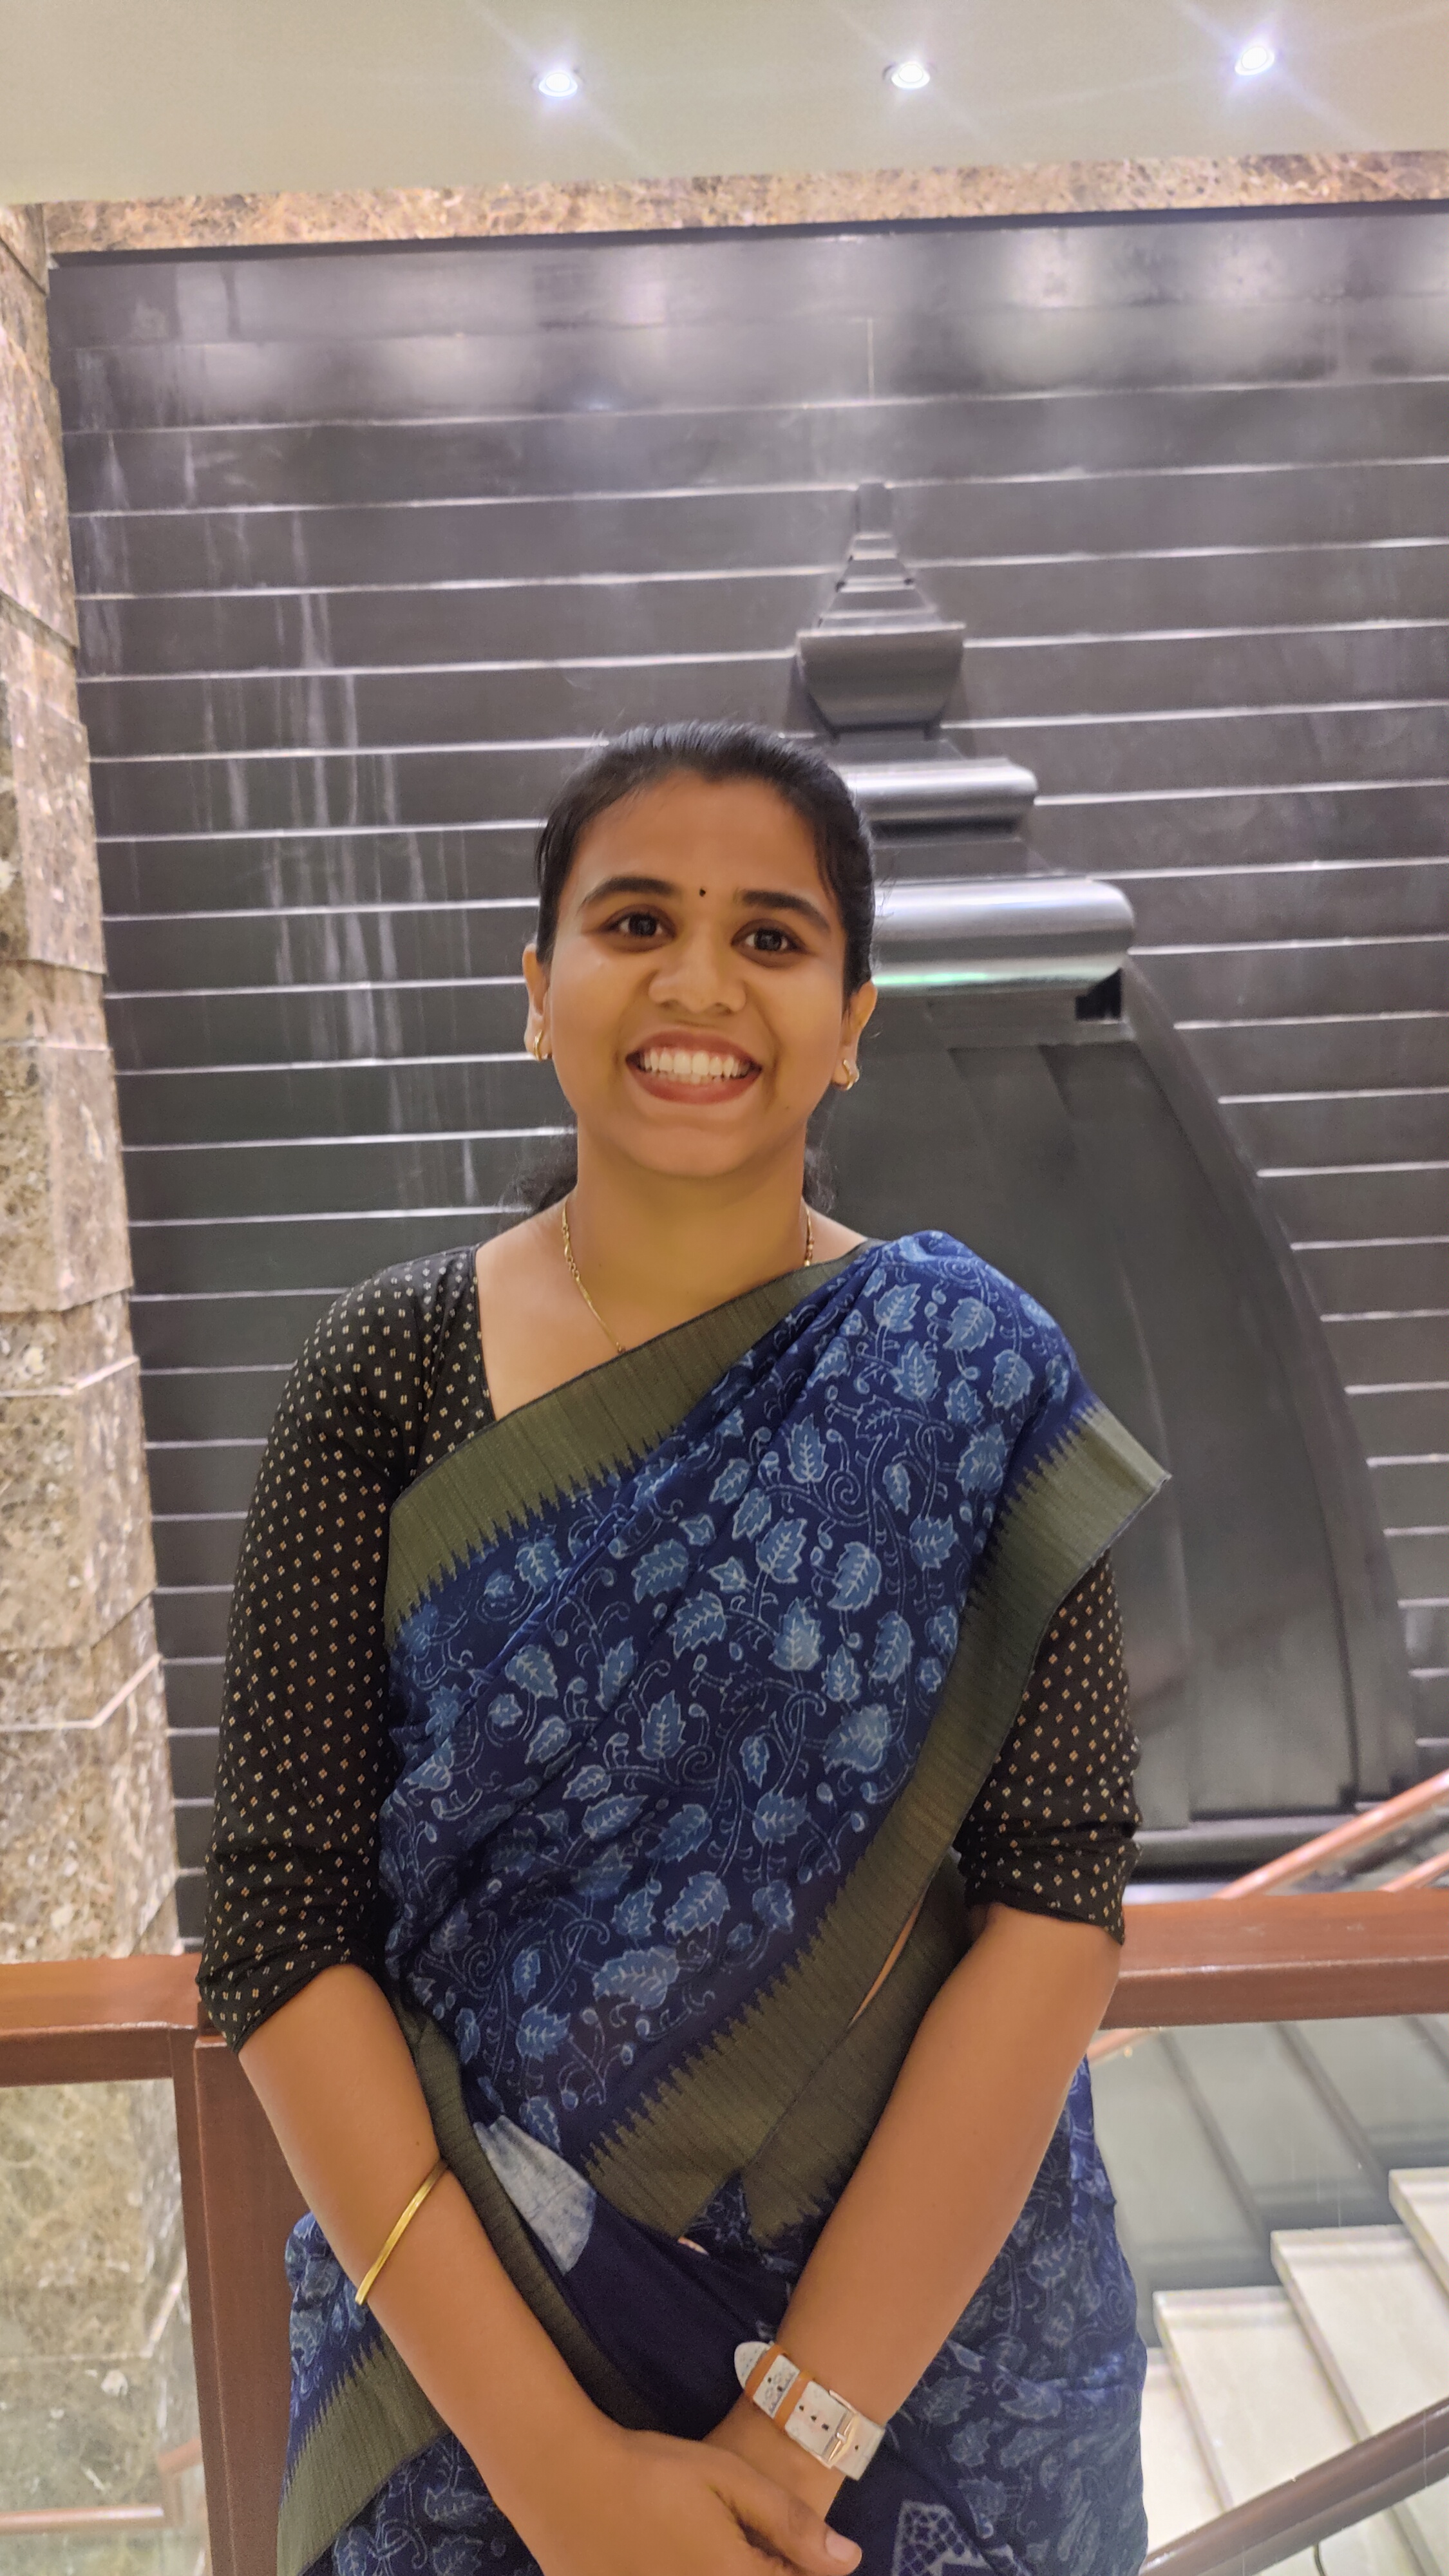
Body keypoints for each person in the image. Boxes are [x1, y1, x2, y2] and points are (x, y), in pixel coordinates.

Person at [201, 721, 1162, 2576]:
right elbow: (276, 1925)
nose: (699, 983)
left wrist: (791, 2448)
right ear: (539, 990)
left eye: (770, 937)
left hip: (927, 2378)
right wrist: (561, 2474)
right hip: (480, 2366)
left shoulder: (972, 1379)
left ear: (852, 1018)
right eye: (636, 921)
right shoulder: (384, 1377)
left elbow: (1055, 1899)